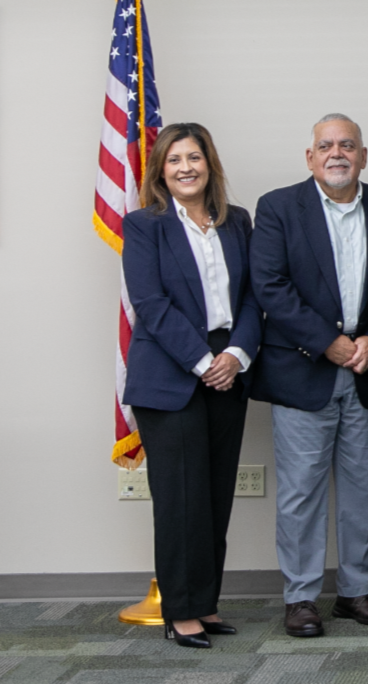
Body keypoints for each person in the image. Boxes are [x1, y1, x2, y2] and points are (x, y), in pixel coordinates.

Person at [248, 114, 368, 638]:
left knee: (361, 490)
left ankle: (355, 592)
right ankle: (302, 597)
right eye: (326, 146)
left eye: (347, 145)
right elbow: (269, 285)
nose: (337, 154)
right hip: (303, 369)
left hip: (367, 368)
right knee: (300, 492)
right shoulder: (278, 207)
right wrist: (326, 341)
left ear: (363, 155)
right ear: (309, 157)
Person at [122, 123, 262, 649]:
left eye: (195, 158)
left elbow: (253, 296)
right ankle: (179, 612)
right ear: (161, 169)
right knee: (180, 501)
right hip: (171, 377)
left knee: (214, 496)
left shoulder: (237, 222)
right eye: (175, 159)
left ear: (210, 165)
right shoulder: (143, 226)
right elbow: (151, 305)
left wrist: (235, 355)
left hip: (230, 369)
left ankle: (204, 604)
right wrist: (204, 361)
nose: (186, 168)